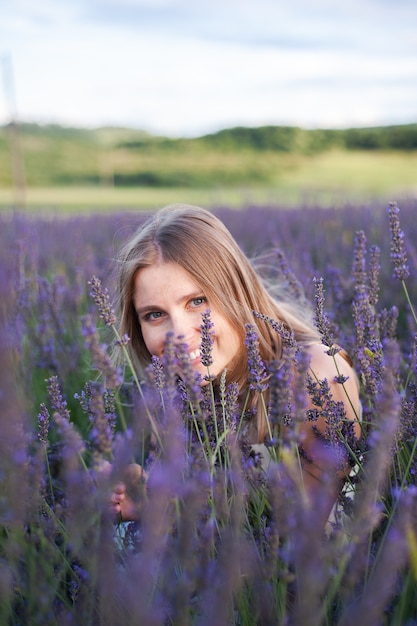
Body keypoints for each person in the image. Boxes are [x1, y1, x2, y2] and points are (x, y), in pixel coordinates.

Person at [110, 203, 361, 522]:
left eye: (196, 302)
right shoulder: (185, 389)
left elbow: (308, 538)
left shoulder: (314, 374)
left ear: (236, 293)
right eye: (155, 314)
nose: (179, 334)